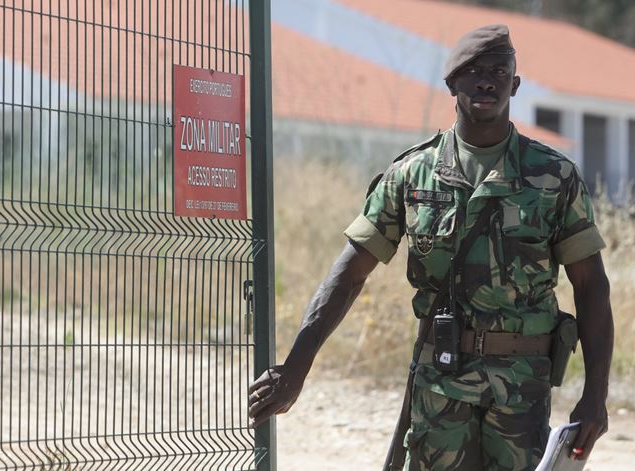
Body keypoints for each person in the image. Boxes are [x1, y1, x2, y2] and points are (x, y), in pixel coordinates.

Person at [248, 24, 613, 470]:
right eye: (473, 71)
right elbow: (349, 273)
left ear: (514, 84)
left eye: (499, 71)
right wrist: (296, 369)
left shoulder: (554, 177)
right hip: (440, 389)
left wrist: (596, 397)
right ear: (451, 83)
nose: (486, 81)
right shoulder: (412, 175)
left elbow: (592, 285)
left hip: (521, 392)